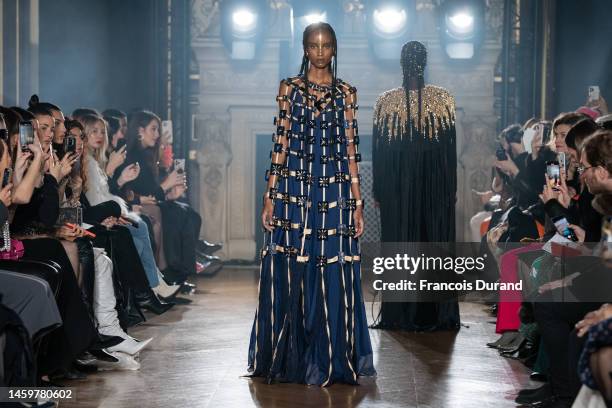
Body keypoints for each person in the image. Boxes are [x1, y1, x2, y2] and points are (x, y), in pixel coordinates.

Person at [248, 22, 375, 386]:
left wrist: (358, 202)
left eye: (327, 45)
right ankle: (290, 357)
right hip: (293, 185)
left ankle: (331, 356)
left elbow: (352, 151)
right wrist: (269, 196)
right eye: (314, 45)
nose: (320, 52)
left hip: (333, 188)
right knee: (291, 268)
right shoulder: (290, 88)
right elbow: (280, 143)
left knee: (332, 268)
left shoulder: (347, 93)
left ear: (335, 49)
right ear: (305, 49)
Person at [371, 41, 460, 331]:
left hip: (410, 185)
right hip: (422, 185)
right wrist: (451, 188)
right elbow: (449, 150)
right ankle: (426, 314)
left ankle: (408, 314)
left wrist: (379, 190)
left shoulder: (391, 101)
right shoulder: (437, 98)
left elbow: (379, 152)